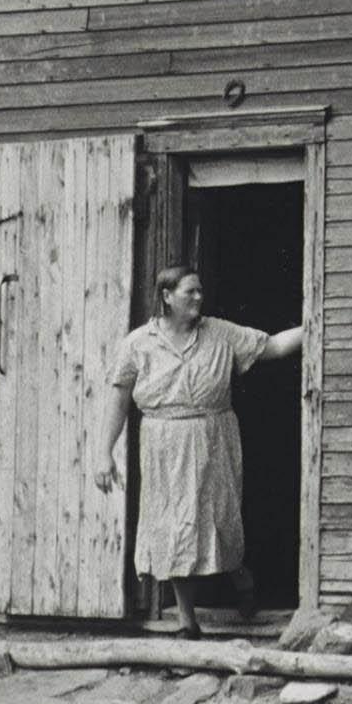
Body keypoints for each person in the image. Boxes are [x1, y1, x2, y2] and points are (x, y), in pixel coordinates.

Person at [95, 265, 305, 636]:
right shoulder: (138, 343)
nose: (198, 297)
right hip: (163, 445)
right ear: (167, 296)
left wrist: (317, 323)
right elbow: (118, 399)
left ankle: (241, 577)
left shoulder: (220, 333)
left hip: (212, 439)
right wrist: (103, 452)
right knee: (174, 527)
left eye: (199, 291)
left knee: (217, 521)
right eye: (190, 291)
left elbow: (271, 346)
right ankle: (188, 622)